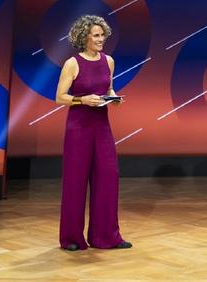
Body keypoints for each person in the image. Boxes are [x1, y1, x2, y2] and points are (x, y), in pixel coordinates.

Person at [55, 14, 131, 251]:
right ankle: (71, 238)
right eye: (96, 35)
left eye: (102, 35)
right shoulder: (72, 63)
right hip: (78, 128)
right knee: (75, 181)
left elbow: (109, 88)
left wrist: (113, 98)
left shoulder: (109, 61)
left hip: (101, 126)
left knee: (108, 177)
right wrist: (82, 100)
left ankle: (106, 236)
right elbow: (60, 97)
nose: (101, 39)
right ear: (84, 37)